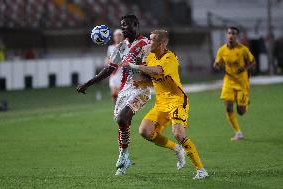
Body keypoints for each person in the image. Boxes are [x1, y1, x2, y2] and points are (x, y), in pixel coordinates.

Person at [77, 14, 184, 176]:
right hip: (125, 89)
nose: (123, 28)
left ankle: (123, 156)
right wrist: (88, 83)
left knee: (122, 118)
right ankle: (126, 154)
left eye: (127, 25)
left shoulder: (147, 44)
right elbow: (109, 69)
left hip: (142, 89)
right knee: (121, 123)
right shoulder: (120, 47)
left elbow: (164, 62)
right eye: (122, 25)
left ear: (136, 25)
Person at [128, 30, 208, 179]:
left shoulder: (170, 58)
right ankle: (177, 149)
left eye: (152, 40)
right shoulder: (151, 56)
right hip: (161, 102)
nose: (149, 42)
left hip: (177, 100)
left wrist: (137, 67)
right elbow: (154, 79)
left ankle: (201, 170)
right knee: (144, 131)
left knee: (178, 133)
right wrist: (141, 82)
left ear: (162, 43)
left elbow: (158, 71)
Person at [213, 26, 255, 141]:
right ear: (227, 35)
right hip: (228, 81)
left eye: (234, 33)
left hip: (242, 82)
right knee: (228, 107)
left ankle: (245, 102)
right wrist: (217, 65)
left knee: (241, 111)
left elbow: (253, 62)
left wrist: (245, 68)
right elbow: (217, 63)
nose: (231, 35)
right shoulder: (222, 50)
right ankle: (238, 132)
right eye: (229, 33)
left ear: (237, 36)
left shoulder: (243, 50)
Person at [104, 29, 124, 104]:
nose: (118, 37)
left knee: (120, 94)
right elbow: (108, 58)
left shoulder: (125, 46)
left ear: (122, 37)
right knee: (113, 94)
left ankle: (120, 111)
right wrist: (107, 62)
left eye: (119, 35)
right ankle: (116, 111)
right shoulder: (110, 47)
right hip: (113, 74)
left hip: (122, 73)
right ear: (114, 37)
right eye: (116, 35)